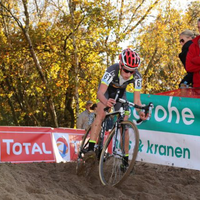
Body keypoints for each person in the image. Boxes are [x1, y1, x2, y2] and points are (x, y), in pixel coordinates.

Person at [84, 48, 149, 169]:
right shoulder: (111, 71)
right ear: (120, 65)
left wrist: (140, 112)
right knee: (101, 113)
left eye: (132, 71)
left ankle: (125, 160)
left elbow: (137, 101)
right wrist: (105, 102)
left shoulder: (137, 76)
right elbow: (100, 93)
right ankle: (91, 148)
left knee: (125, 124)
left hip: (120, 93)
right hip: (106, 93)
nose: (128, 74)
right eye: (126, 70)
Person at [186, 18, 200, 88]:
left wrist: (195, 60)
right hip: (197, 87)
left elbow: (193, 63)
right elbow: (189, 67)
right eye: (199, 27)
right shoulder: (193, 46)